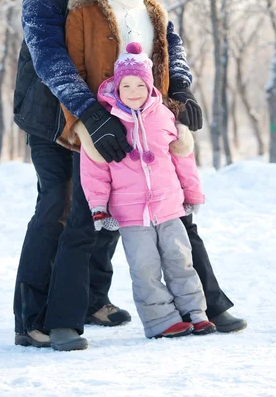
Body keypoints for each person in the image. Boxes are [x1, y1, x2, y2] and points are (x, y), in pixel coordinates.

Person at [12, 0, 211, 351]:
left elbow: (163, 38)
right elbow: (53, 65)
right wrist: (90, 115)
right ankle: (28, 319)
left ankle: (92, 301)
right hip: (50, 120)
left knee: (108, 203)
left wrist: (178, 89)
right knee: (58, 208)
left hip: (100, 117)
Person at [62, 0, 247, 345]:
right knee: (104, 225)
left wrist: (182, 98)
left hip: (154, 123)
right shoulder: (86, 8)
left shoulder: (154, 9)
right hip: (104, 125)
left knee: (178, 230)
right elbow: (71, 69)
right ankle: (75, 312)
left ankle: (204, 307)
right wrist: (89, 121)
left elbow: (172, 58)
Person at [80, 42, 217, 339]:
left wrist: (192, 194)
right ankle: (160, 321)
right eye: (125, 85)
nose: (132, 92)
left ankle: (195, 312)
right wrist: (98, 206)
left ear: (149, 84)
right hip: (130, 213)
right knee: (145, 268)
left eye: (139, 85)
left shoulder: (165, 116)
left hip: (169, 206)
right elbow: (94, 170)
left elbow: (183, 159)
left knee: (180, 260)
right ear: (116, 87)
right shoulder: (107, 123)